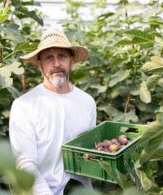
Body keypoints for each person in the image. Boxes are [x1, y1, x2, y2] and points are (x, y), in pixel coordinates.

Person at [9, 29, 97, 195]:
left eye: (62, 56)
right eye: (49, 57)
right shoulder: (24, 105)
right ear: (40, 64)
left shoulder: (87, 102)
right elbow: (25, 164)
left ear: (71, 61)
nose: (56, 64)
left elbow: (88, 154)